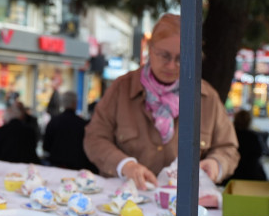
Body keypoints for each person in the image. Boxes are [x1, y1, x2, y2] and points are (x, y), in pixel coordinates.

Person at [83, 13, 239, 189]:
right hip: (126, 196)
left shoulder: (207, 98)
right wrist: (125, 165)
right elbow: (95, 138)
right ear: (150, 49)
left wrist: (216, 164)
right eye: (164, 55)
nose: (171, 65)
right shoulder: (121, 89)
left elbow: (228, 149)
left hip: (183, 201)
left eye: (181, 58)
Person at [43, 91, 97, 173]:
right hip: (77, 167)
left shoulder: (53, 121)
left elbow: (46, 146)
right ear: (75, 103)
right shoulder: (82, 124)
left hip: (56, 166)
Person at [222, 110, 267, 185]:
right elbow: (259, 153)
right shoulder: (253, 137)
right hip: (251, 177)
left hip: (231, 176)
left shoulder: (230, 135)